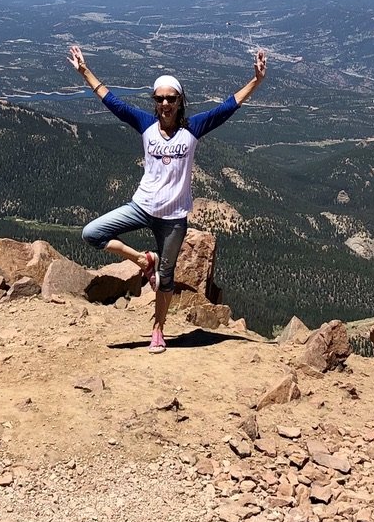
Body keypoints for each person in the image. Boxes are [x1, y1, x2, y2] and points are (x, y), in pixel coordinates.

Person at [67, 43, 267, 353]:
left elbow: (227, 107)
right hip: (142, 207)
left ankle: (158, 330)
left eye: (170, 98)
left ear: (180, 101)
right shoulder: (145, 125)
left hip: (174, 218)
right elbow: (112, 102)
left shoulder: (193, 128)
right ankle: (142, 259)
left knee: (166, 278)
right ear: (155, 102)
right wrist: (85, 72)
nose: (164, 103)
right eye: (159, 98)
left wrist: (255, 81)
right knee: (92, 233)